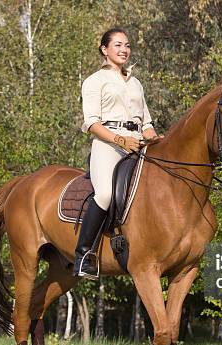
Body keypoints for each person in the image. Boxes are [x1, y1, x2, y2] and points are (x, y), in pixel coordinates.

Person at [74, 27, 162, 278]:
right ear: (104, 49)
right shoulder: (94, 81)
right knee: (104, 194)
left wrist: (157, 141)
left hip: (139, 143)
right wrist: (120, 140)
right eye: (118, 45)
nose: (124, 50)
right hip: (109, 145)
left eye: (127, 45)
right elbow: (91, 123)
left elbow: (146, 123)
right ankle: (83, 254)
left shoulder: (136, 83)